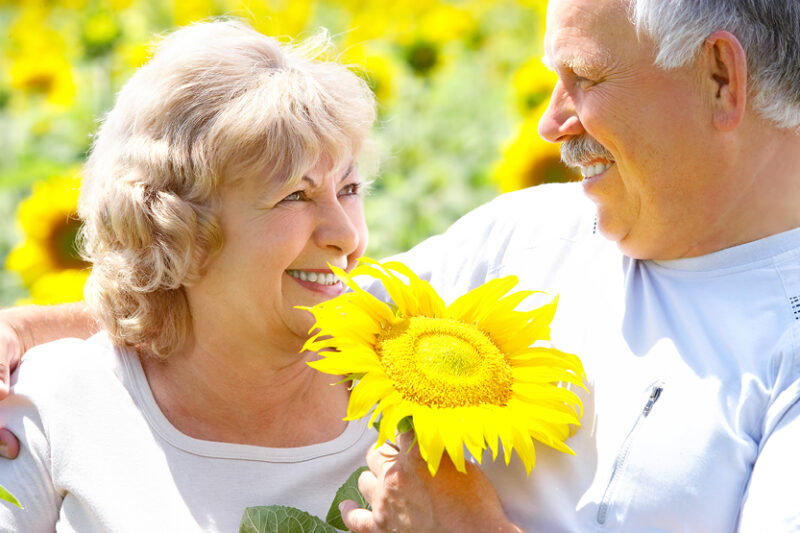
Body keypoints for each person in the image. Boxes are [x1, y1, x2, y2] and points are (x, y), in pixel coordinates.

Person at [2, 0, 800, 531]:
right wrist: (33, 328)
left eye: (584, 79)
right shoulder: (534, 234)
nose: (552, 123)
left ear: (721, 78)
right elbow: (278, 290)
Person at [0, 18, 381, 531]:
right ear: (176, 227)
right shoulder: (53, 400)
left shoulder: (419, 395)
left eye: (350, 189)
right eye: (296, 194)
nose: (347, 236)